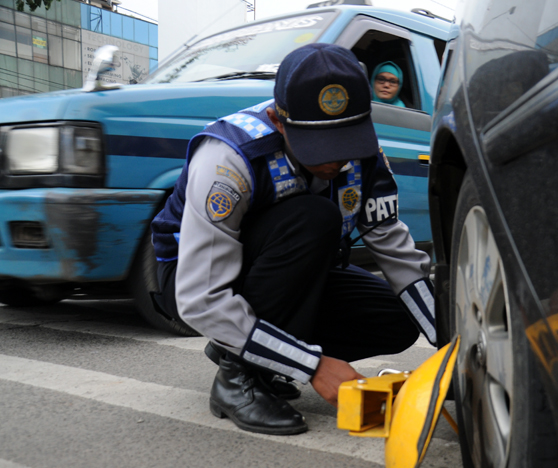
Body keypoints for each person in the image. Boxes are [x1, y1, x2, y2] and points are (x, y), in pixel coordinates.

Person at [150, 44, 436, 436]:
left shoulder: (365, 155)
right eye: (320, 146)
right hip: (193, 279)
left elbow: (395, 249)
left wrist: (452, 342)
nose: (337, 161)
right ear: (278, 121)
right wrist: (312, 366)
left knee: (398, 319)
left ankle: (255, 350)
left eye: (346, 141)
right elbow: (201, 297)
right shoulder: (228, 159)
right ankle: (238, 378)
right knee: (314, 217)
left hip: (287, 272)